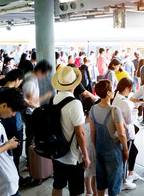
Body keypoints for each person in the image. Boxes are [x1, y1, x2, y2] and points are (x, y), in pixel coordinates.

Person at [51, 66, 90, 196]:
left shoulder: (54, 99)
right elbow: (80, 133)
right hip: (73, 156)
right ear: (74, 84)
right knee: (76, 191)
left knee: (57, 185)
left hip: (57, 152)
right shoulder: (75, 104)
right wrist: (85, 155)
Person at [89, 80, 129, 196]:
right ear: (108, 93)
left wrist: (96, 146)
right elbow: (121, 134)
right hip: (113, 151)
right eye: (112, 89)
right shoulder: (114, 110)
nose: (114, 91)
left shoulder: (93, 109)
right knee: (114, 184)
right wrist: (125, 150)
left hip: (100, 149)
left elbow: (93, 131)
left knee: (101, 182)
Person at [0, 69, 30, 185]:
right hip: (14, 127)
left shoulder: (0, 90)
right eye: (20, 81)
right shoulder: (13, 93)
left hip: (4, 127)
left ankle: (12, 175)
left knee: (7, 153)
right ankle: (16, 178)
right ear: (17, 80)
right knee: (16, 154)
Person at [112, 78, 139, 190]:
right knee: (125, 156)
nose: (131, 90)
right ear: (127, 88)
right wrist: (136, 109)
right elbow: (129, 119)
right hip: (126, 133)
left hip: (117, 131)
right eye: (131, 88)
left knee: (130, 152)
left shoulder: (116, 97)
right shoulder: (125, 102)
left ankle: (129, 174)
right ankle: (124, 181)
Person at [22, 60, 52, 157]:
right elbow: (30, 101)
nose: (45, 76)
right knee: (31, 136)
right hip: (31, 113)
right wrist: (46, 96)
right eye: (45, 74)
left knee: (31, 136)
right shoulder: (30, 81)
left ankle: (30, 157)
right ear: (40, 71)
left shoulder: (31, 76)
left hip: (31, 112)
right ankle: (29, 158)